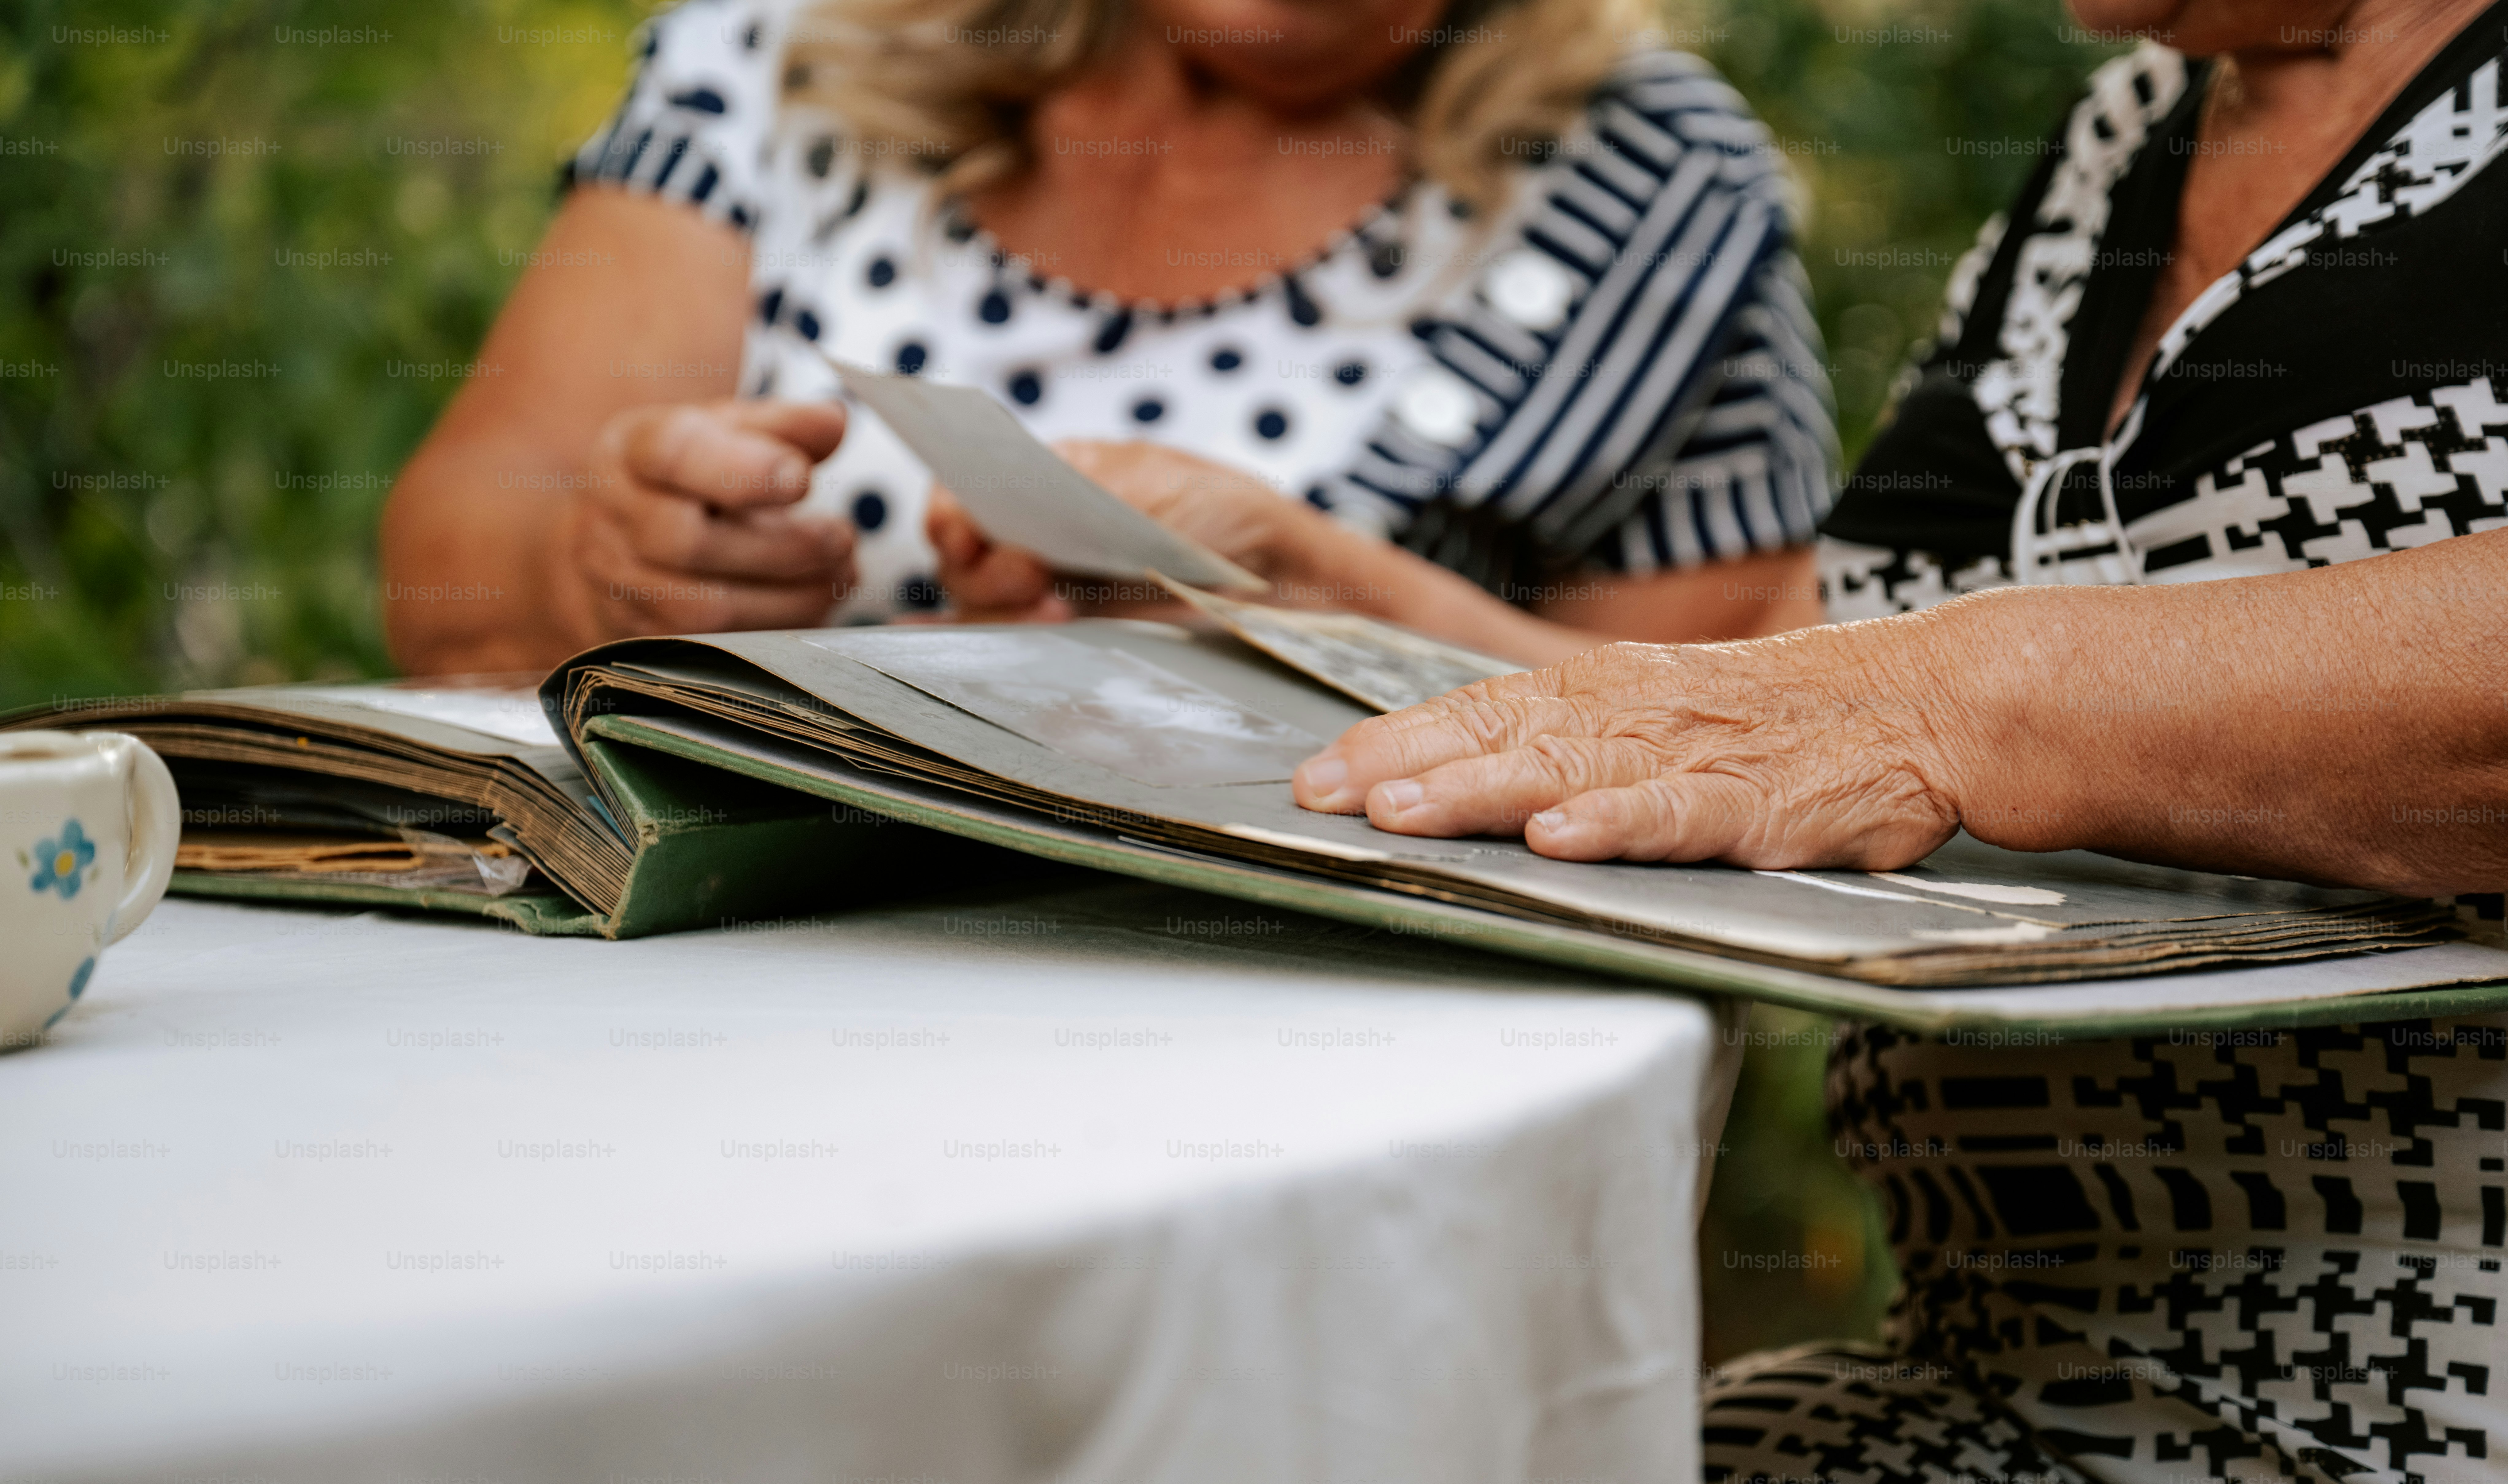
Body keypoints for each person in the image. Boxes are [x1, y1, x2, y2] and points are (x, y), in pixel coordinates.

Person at [1292, 0, 2508, 1477]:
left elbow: (1911, 697)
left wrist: (1954, 700)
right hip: (2002, 1373)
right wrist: (1312, 596)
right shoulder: (2131, 127)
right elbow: (1791, 700)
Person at [379, 0, 1838, 675]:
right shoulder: (787, 54)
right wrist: (599, 568)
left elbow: (1726, 755)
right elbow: (445, 573)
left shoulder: (1651, 185)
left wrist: (1312, 594)